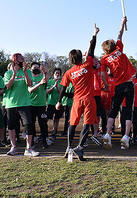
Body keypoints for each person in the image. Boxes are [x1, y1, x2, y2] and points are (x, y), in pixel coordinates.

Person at [56, 23, 100, 161]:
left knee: (72, 124)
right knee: (87, 124)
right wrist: (94, 34)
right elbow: (92, 50)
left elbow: (63, 88)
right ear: (82, 57)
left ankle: (69, 147)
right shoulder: (87, 65)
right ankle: (79, 148)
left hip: (76, 100)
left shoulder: (69, 72)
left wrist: (58, 102)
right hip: (89, 99)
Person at [101, 17, 136, 149]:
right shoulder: (119, 50)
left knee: (114, 110)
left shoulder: (104, 59)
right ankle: (126, 136)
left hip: (118, 86)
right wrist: (122, 22)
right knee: (127, 111)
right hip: (128, 85)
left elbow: (103, 74)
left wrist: (105, 84)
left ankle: (107, 134)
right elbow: (120, 34)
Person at [4, 53, 40, 156]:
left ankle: (28, 148)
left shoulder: (27, 71)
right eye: (21, 59)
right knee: (11, 126)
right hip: (11, 104)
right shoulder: (8, 73)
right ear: (15, 60)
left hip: (24, 103)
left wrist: (24, 72)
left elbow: (29, 84)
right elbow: (8, 86)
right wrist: (14, 75)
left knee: (28, 124)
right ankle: (13, 147)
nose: (23, 60)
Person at [28, 62, 52, 149]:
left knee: (42, 123)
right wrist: (39, 84)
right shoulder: (29, 78)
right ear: (30, 68)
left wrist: (45, 72)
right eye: (34, 67)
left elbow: (45, 81)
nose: (36, 68)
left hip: (41, 104)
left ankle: (45, 139)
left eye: (38, 67)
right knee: (31, 122)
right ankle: (33, 138)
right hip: (31, 104)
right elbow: (30, 90)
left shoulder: (42, 77)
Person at [46, 68, 64, 139]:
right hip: (51, 103)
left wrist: (57, 87)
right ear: (53, 74)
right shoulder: (49, 81)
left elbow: (61, 93)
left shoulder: (62, 82)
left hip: (59, 103)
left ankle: (54, 133)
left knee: (57, 119)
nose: (57, 74)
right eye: (56, 73)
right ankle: (44, 132)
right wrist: (53, 87)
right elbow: (47, 92)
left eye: (59, 73)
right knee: (47, 118)